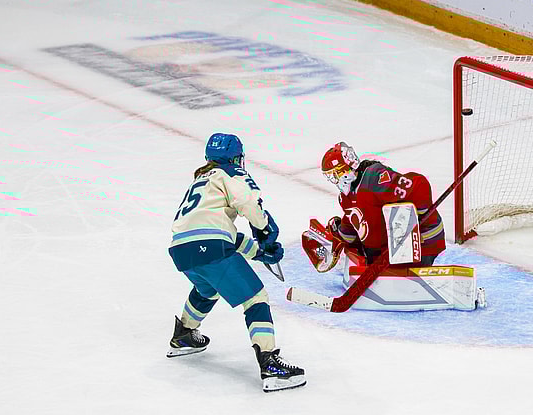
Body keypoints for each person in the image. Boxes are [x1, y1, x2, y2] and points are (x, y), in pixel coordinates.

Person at [167, 133, 305, 392]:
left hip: (181, 249)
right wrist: (264, 229)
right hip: (210, 247)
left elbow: (219, 232)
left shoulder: (201, 180)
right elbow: (247, 202)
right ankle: (269, 362)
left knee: (207, 289)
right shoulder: (231, 173)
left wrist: (259, 253)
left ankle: (184, 334)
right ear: (236, 157)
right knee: (256, 297)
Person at [321, 142, 446, 267]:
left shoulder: (374, 177)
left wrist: (415, 220)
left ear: (347, 168)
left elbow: (419, 186)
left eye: (335, 174)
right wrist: (339, 236)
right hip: (384, 256)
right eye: (330, 177)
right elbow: (354, 221)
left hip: (423, 243)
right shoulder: (345, 198)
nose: (334, 180)